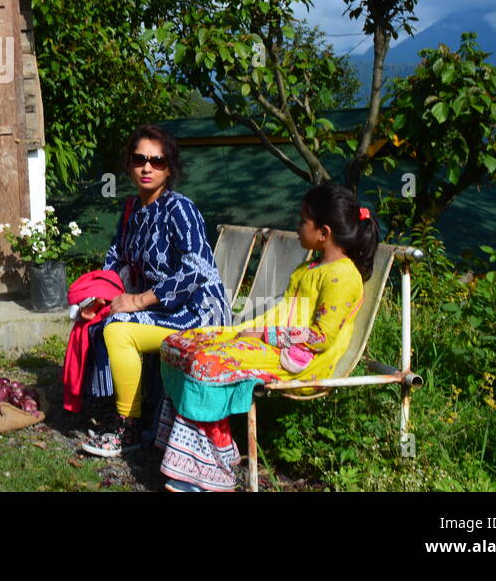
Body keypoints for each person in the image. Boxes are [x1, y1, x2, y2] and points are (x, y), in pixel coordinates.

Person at [155, 181, 375, 492]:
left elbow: (319, 337)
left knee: (207, 362)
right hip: (275, 343)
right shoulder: (312, 266)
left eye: (302, 221)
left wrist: (262, 334)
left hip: (300, 359)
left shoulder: (342, 275)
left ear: (324, 233)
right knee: (181, 342)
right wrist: (251, 332)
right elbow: (289, 314)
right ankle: (181, 454)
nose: (297, 227)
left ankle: (212, 472)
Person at [77, 124, 229, 458]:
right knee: (99, 321)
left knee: (118, 331)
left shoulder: (180, 209)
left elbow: (197, 269)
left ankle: (126, 427)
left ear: (170, 167)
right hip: (161, 309)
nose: (147, 167)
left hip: (196, 309)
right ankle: (108, 411)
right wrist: (99, 297)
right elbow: (116, 257)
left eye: (157, 161)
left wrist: (138, 300)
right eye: (140, 159)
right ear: (129, 164)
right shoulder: (132, 209)